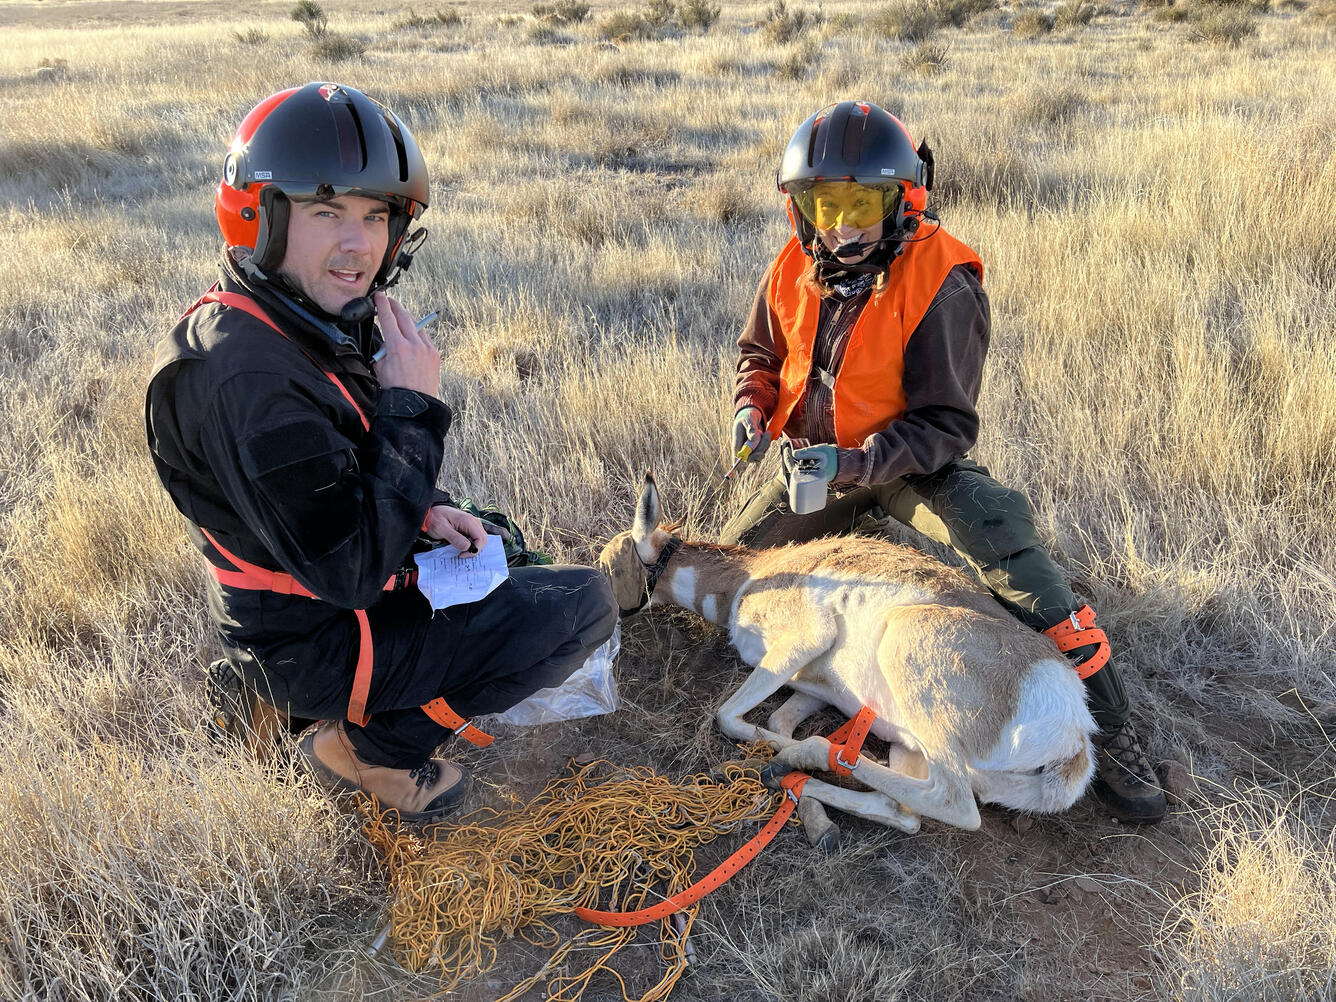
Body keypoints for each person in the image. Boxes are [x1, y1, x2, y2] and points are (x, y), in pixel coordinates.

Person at [146, 82, 617, 823]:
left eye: (374, 216)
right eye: (326, 212)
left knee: (502, 543)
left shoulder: (284, 315)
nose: (358, 245)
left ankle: (270, 699)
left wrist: (425, 509)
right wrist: (414, 409)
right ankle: (369, 750)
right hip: (314, 631)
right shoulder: (244, 380)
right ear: (259, 218)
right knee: (581, 606)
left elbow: (329, 474)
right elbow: (351, 572)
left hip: (294, 600)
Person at [721, 100, 1166, 823]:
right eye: (825, 202)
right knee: (737, 575)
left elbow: (947, 424)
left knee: (1004, 547)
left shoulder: (942, 279)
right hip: (815, 470)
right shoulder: (793, 264)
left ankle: (1112, 728)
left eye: (862, 202)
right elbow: (760, 356)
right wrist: (751, 407)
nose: (842, 223)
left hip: (907, 466)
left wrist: (860, 464)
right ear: (801, 206)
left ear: (902, 198)